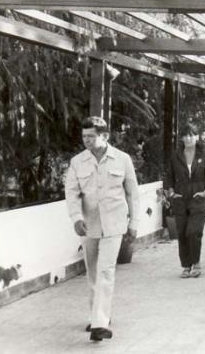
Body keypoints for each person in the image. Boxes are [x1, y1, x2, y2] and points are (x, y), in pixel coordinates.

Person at [65, 116, 140, 342]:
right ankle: (96, 315)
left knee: (106, 271)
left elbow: (132, 194)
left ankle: (100, 323)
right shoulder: (77, 162)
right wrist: (76, 218)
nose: (86, 140)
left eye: (91, 136)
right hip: (89, 226)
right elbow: (72, 192)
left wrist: (134, 224)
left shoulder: (122, 159)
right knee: (93, 274)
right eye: (84, 136)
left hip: (115, 224)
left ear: (104, 136)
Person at [164, 123, 205, 278]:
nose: (188, 138)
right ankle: (186, 265)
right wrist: (172, 193)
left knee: (194, 231)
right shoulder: (175, 155)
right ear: (181, 138)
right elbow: (169, 177)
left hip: (198, 199)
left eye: (192, 134)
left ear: (197, 137)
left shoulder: (204, 155)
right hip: (180, 199)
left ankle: (196, 263)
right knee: (182, 232)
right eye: (185, 135)